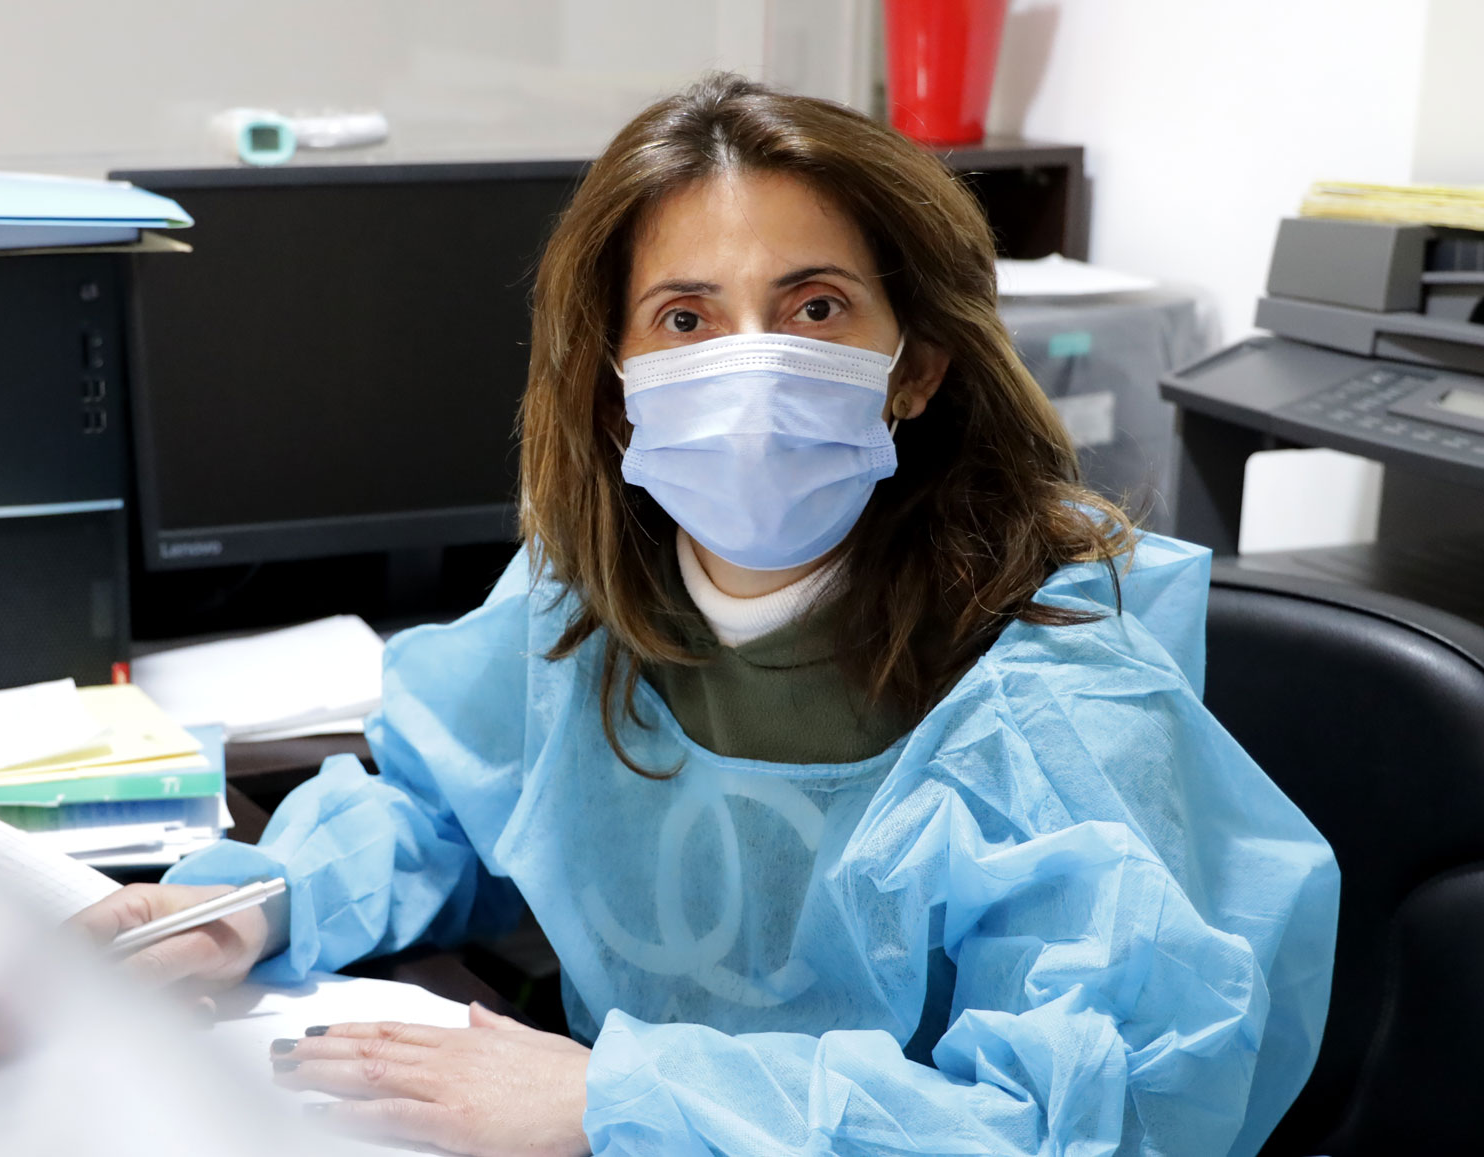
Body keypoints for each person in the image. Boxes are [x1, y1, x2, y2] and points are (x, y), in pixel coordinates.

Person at [72, 74, 1339, 1157]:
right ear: (616, 383)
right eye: (685, 317)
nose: (751, 360)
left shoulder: (1051, 683)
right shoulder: (584, 600)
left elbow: (1066, 1120)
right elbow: (443, 803)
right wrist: (261, 899)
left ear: (916, 364)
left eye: (814, 306)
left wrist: (620, 1097)